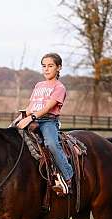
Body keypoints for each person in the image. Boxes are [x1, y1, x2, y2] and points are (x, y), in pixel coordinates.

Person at [17, 52, 73, 195]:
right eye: (44, 66)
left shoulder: (59, 87)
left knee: (51, 144)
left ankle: (67, 176)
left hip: (48, 121)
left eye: (50, 66)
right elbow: (31, 106)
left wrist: (31, 118)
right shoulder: (39, 85)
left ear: (58, 68)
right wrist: (20, 118)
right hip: (33, 118)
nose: (46, 69)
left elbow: (48, 107)